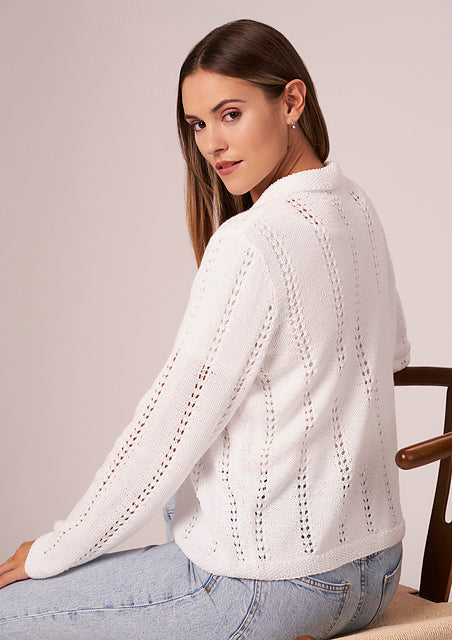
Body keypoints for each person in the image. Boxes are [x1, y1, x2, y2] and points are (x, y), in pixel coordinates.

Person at [0, 18, 410, 640]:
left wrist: (54, 550)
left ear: (291, 101)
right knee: (185, 502)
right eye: (197, 125)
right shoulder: (355, 207)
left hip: (271, 587)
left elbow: (167, 431)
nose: (212, 144)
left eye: (230, 114)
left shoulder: (252, 239)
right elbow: (391, 354)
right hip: (374, 570)